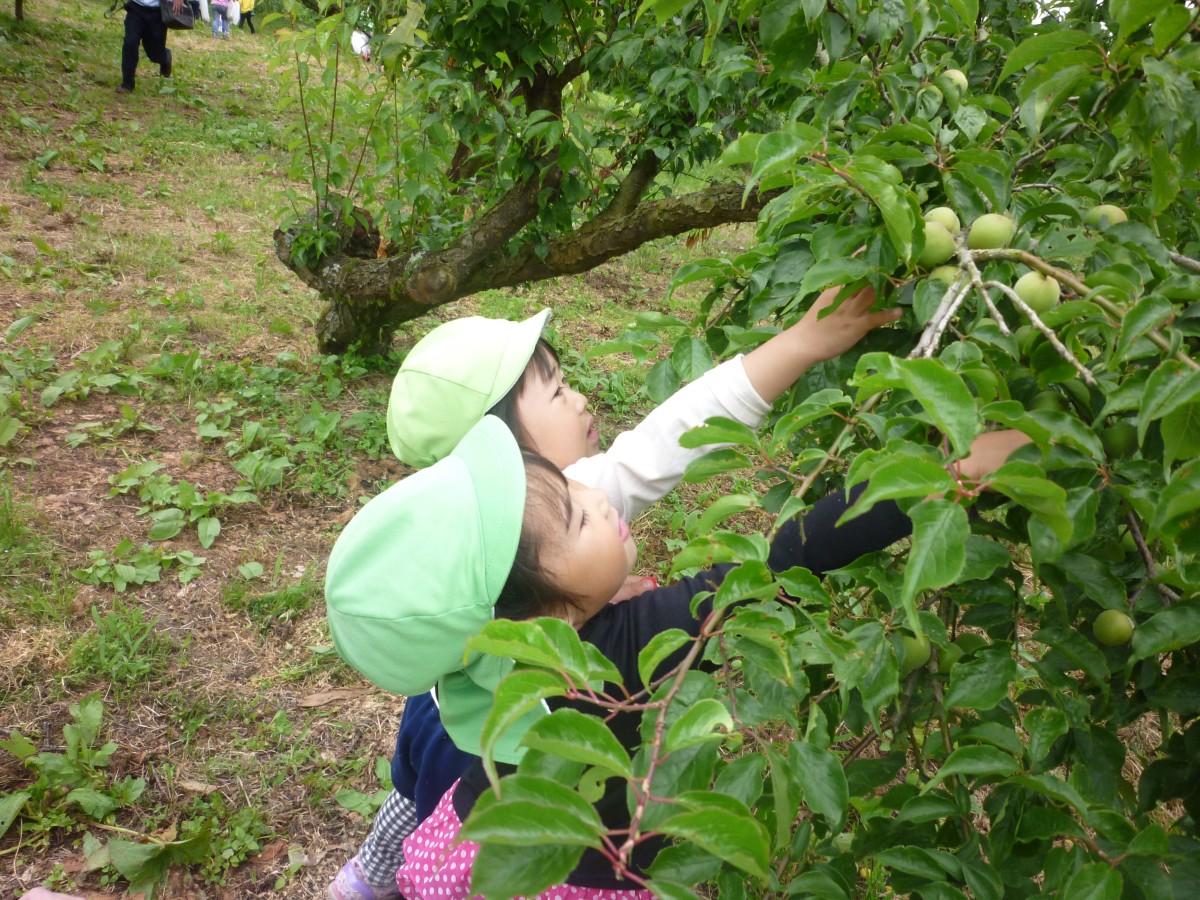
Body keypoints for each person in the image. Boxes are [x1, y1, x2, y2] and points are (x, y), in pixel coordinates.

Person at [329, 287, 904, 898]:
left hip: (453, 831)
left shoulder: (490, 563)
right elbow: (776, 560)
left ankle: (366, 879)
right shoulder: (577, 646)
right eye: (554, 390)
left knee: (410, 815)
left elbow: (664, 440)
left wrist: (800, 344)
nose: (597, 495)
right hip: (519, 848)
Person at [325, 417, 1029, 897]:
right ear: (549, 615)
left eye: (572, 483)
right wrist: (944, 477)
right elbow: (785, 561)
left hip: (469, 854)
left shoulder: (476, 667)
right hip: (582, 878)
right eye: (574, 514)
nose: (596, 497)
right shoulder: (616, 654)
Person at [116, 0, 182, 94]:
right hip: (135, 8)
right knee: (130, 42)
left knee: (155, 54)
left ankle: (165, 58)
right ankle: (127, 84)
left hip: (157, 11)